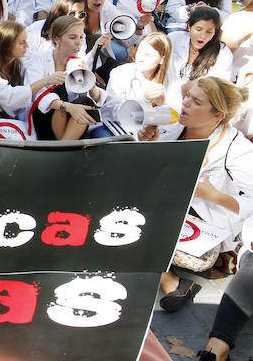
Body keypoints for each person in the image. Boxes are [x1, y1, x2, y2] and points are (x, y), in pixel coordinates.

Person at [138, 77, 253, 313]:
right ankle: (169, 279)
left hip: (205, 227)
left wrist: (214, 196)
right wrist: (149, 142)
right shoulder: (173, 126)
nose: (186, 103)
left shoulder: (237, 149)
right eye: (188, 95)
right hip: (168, 205)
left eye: (196, 101)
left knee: (137, 227)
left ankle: (168, 277)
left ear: (217, 116)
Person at [26, 15, 105, 140]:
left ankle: (62, 146)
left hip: (71, 124)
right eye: (72, 38)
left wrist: (88, 78)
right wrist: (68, 107)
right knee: (58, 90)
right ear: (57, 39)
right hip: (44, 119)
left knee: (86, 102)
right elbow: (34, 93)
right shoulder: (39, 58)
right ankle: (64, 147)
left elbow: (97, 98)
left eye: (81, 37)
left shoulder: (78, 63)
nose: (78, 42)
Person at [0, 20, 66, 120]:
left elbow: (38, 63)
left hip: (3, 120)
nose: (27, 46)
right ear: (6, 44)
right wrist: (46, 80)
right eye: (22, 42)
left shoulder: (18, 62)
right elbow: (8, 96)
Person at [103, 32, 172, 129]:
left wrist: (162, 106)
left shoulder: (170, 81)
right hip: (117, 130)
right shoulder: (120, 73)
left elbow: (171, 122)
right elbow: (109, 111)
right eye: (139, 52)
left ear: (162, 59)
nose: (141, 58)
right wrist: (143, 99)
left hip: (150, 137)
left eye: (148, 55)